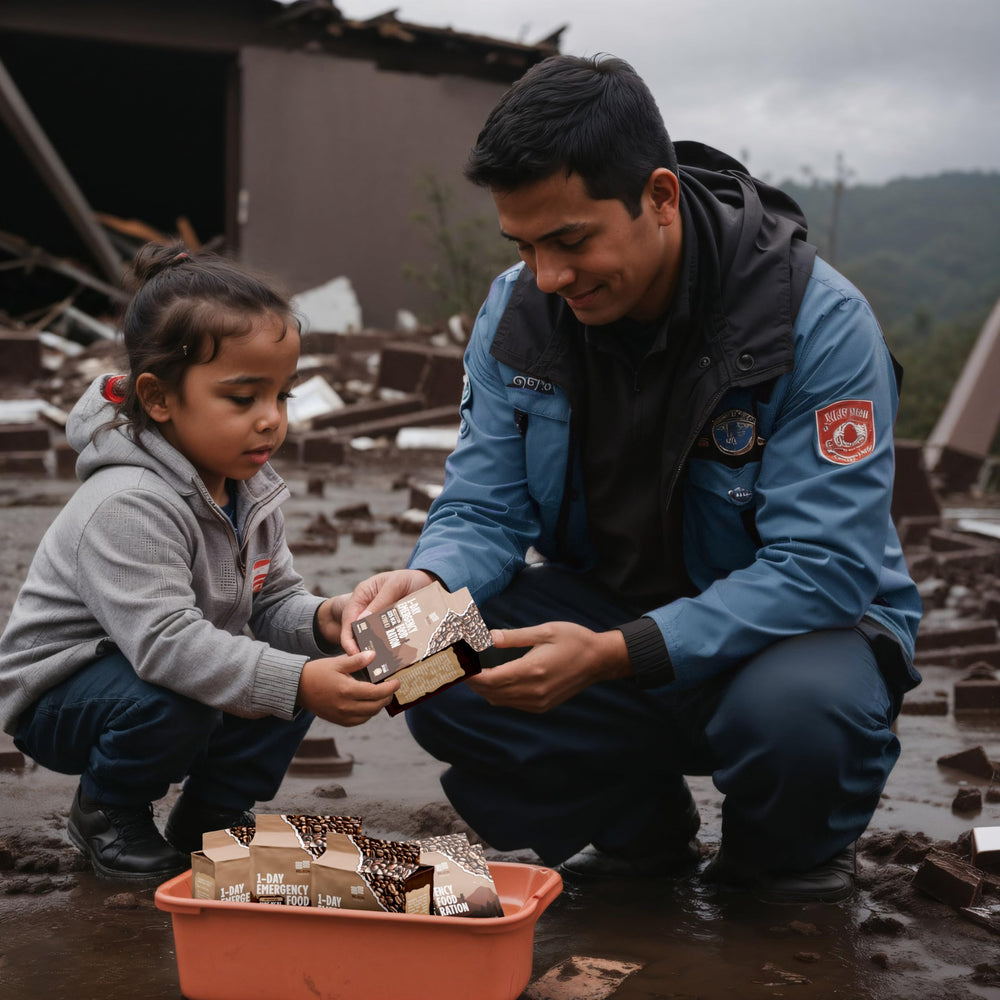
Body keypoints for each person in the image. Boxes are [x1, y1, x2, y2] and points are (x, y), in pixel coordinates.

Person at [340, 54, 923, 905]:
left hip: (787, 637)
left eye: (571, 241)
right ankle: (636, 838)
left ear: (659, 197)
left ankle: (781, 861)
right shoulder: (518, 311)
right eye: (525, 245)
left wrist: (618, 655)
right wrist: (430, 577)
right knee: (419, 654)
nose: (548, 277)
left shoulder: (817, 324)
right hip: (606, 607)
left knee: (803, 717)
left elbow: (822, 571)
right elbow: (484, 507)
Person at [0, 243, 396, 882]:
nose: (270, 421)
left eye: (283, 397)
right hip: (65, 695)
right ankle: (108, 811)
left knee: (304, 668)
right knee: (202, 693)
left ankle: (211, 816)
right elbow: (165, 645)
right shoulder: (128, 501)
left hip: (152, 670)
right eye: (243, 398)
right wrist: (296, 682)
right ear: (158, 398)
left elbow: (270, 603)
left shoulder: (251, 489)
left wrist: (329, 617)